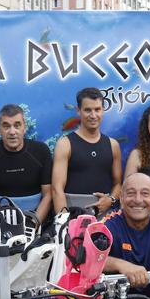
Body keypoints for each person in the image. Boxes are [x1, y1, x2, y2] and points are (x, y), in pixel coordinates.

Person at [0, 104, 53, 228]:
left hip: (34, 223)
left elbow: (48, 194)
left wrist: (33, 226)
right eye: (6, 126)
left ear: (24, 128)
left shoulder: (41, 151)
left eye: (17, 125)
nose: (12, 132)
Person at [52, 87, 122, 215]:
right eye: (87, 110)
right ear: (78, 111)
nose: (93, 115)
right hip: (72, 215)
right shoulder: (65, 144)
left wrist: (110, 200)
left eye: (97, 109)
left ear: (103, 110)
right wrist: (63, 223)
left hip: (103, 219)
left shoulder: (113, 145)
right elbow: (57, 189)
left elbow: (118, 183)